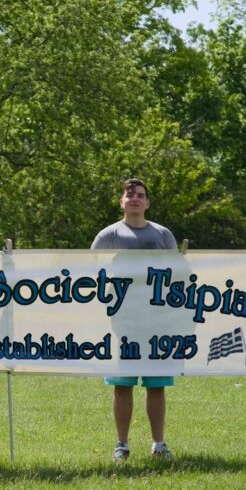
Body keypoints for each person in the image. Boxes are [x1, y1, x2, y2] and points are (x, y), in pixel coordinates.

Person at [91, 178, 177, 461]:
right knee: (123, 383)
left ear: (148, 203)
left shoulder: (163, 235)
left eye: (140, 195)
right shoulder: (108, 236)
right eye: (130, 195)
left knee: (156, 384)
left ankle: (159, 444)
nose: (135, 198)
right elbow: (90, 273)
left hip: (158, 321)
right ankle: (122, 444)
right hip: (123, 322)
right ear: (121, 202)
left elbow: (179, 274)